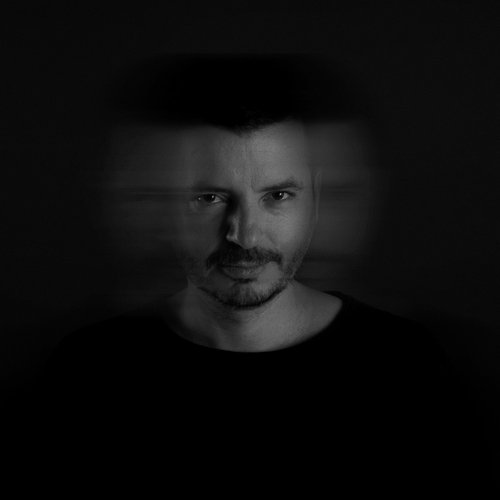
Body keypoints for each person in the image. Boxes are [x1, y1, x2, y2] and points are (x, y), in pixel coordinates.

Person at [39, 55, 495, 494]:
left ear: (314, 202)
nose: (243, 235)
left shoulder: (406, 363)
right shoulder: (89, 368)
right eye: (210, 198)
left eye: (277, 195)